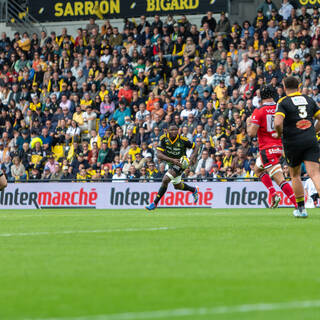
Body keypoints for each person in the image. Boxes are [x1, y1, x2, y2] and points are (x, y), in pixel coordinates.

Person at [275, 76, 320, 218]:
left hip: (292, 142)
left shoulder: (283, 102)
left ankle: (301, 209)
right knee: (315, 174)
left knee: (295, 175)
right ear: (299, 86)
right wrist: (315, 130)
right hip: (310, 140)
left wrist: (279, 133)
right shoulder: (309, 99)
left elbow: (277, 123)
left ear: (283, 86)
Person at [247, 85, 297, 209]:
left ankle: (298, 205)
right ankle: (273, 194)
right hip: (279, 147)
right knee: (258, 170)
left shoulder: (259, 110)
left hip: (267, 149)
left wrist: (248, 123)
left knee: (280, 179)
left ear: (261, 96)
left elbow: (252, 133)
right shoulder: (280, 108)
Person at [146, 125, 199, 210]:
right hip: (171, 162)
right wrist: (172, 160)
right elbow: (158, 154)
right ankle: (193, 190)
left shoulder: (183, 140)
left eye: (176, 130)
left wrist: (192, 157)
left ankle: (154, 203)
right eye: (172, 130)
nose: (174, 131)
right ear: (168, 131)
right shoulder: (163, 138)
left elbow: (196, 147)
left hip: (181, 163)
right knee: (177, 186)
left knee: (165, 180)